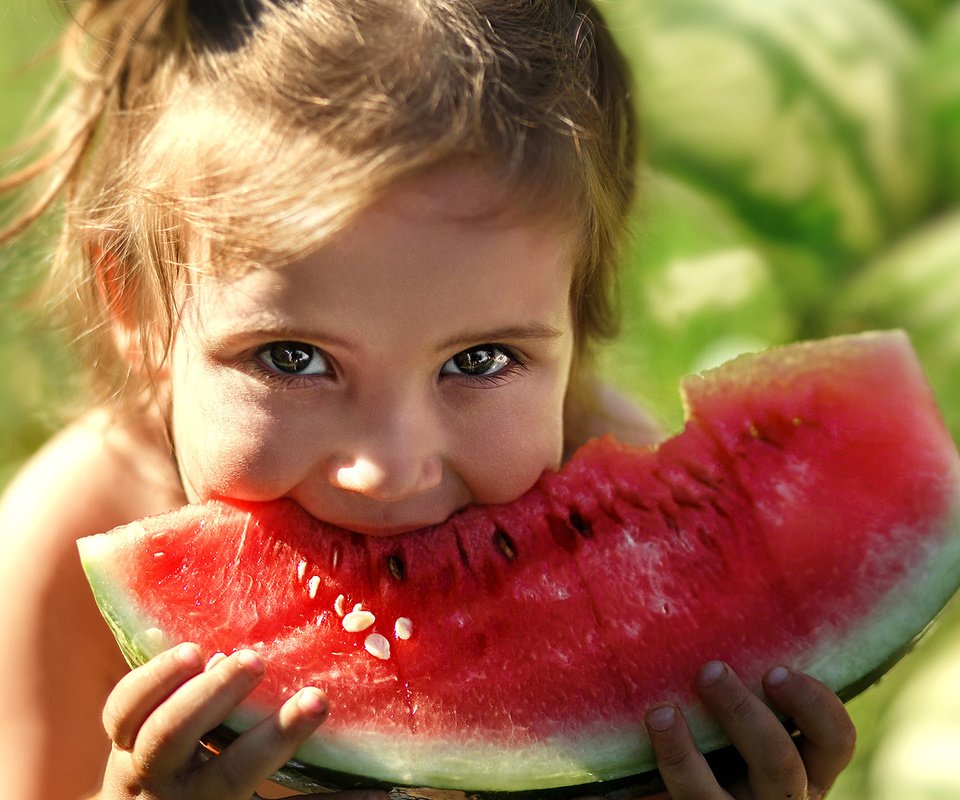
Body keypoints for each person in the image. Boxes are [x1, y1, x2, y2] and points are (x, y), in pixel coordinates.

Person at [0, 1, 856, 798]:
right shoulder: (62, 540)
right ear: (140, 312)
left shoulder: (627, 535)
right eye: (292, 357)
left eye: (480, 360)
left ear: (579, 315)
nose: (390, 468)